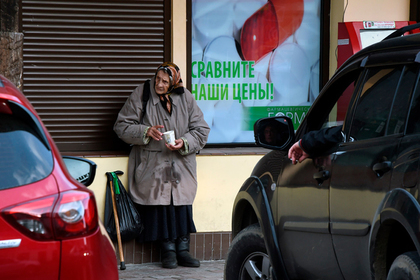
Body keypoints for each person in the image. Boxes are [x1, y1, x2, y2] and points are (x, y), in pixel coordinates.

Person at [113, 62, 210, 269]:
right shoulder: (142, 94)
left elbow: (201, 130)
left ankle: (183, 251)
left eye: (165, 81)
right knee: (161, 207)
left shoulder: (186, 97)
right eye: (157, 79)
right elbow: (121, 126)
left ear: (174, 82)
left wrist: (184, 142)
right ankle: (168, 252)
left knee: (181, 205)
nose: (159, 84)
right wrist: (145, 131)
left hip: (181, 164)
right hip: (153, 164)